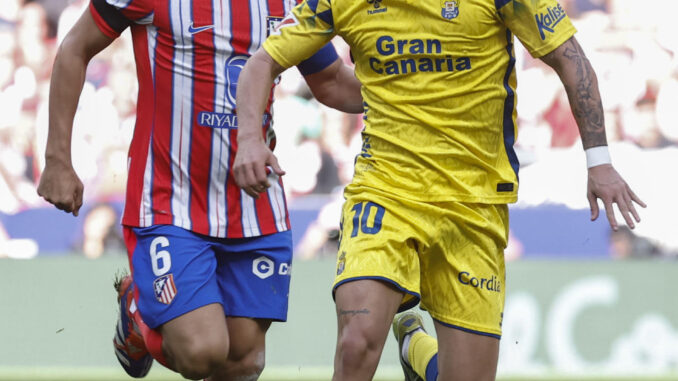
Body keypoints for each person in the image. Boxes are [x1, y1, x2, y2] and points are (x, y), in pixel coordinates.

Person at [232, 0, 646, 380]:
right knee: (357, 341)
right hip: (385, 191)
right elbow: (263, 62)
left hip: (473, 203)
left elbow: (570, 58)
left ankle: (415, 345)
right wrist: (249, 137)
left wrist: (600, 162)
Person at [36, 0, 362, 379]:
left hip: (254, 202)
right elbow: (75, 47)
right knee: (203, 351)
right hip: (169, 201)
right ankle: (137, 314)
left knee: (243, 362)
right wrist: (58, 158)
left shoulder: (290, 2)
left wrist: (404, 87)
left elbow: (332, 79)